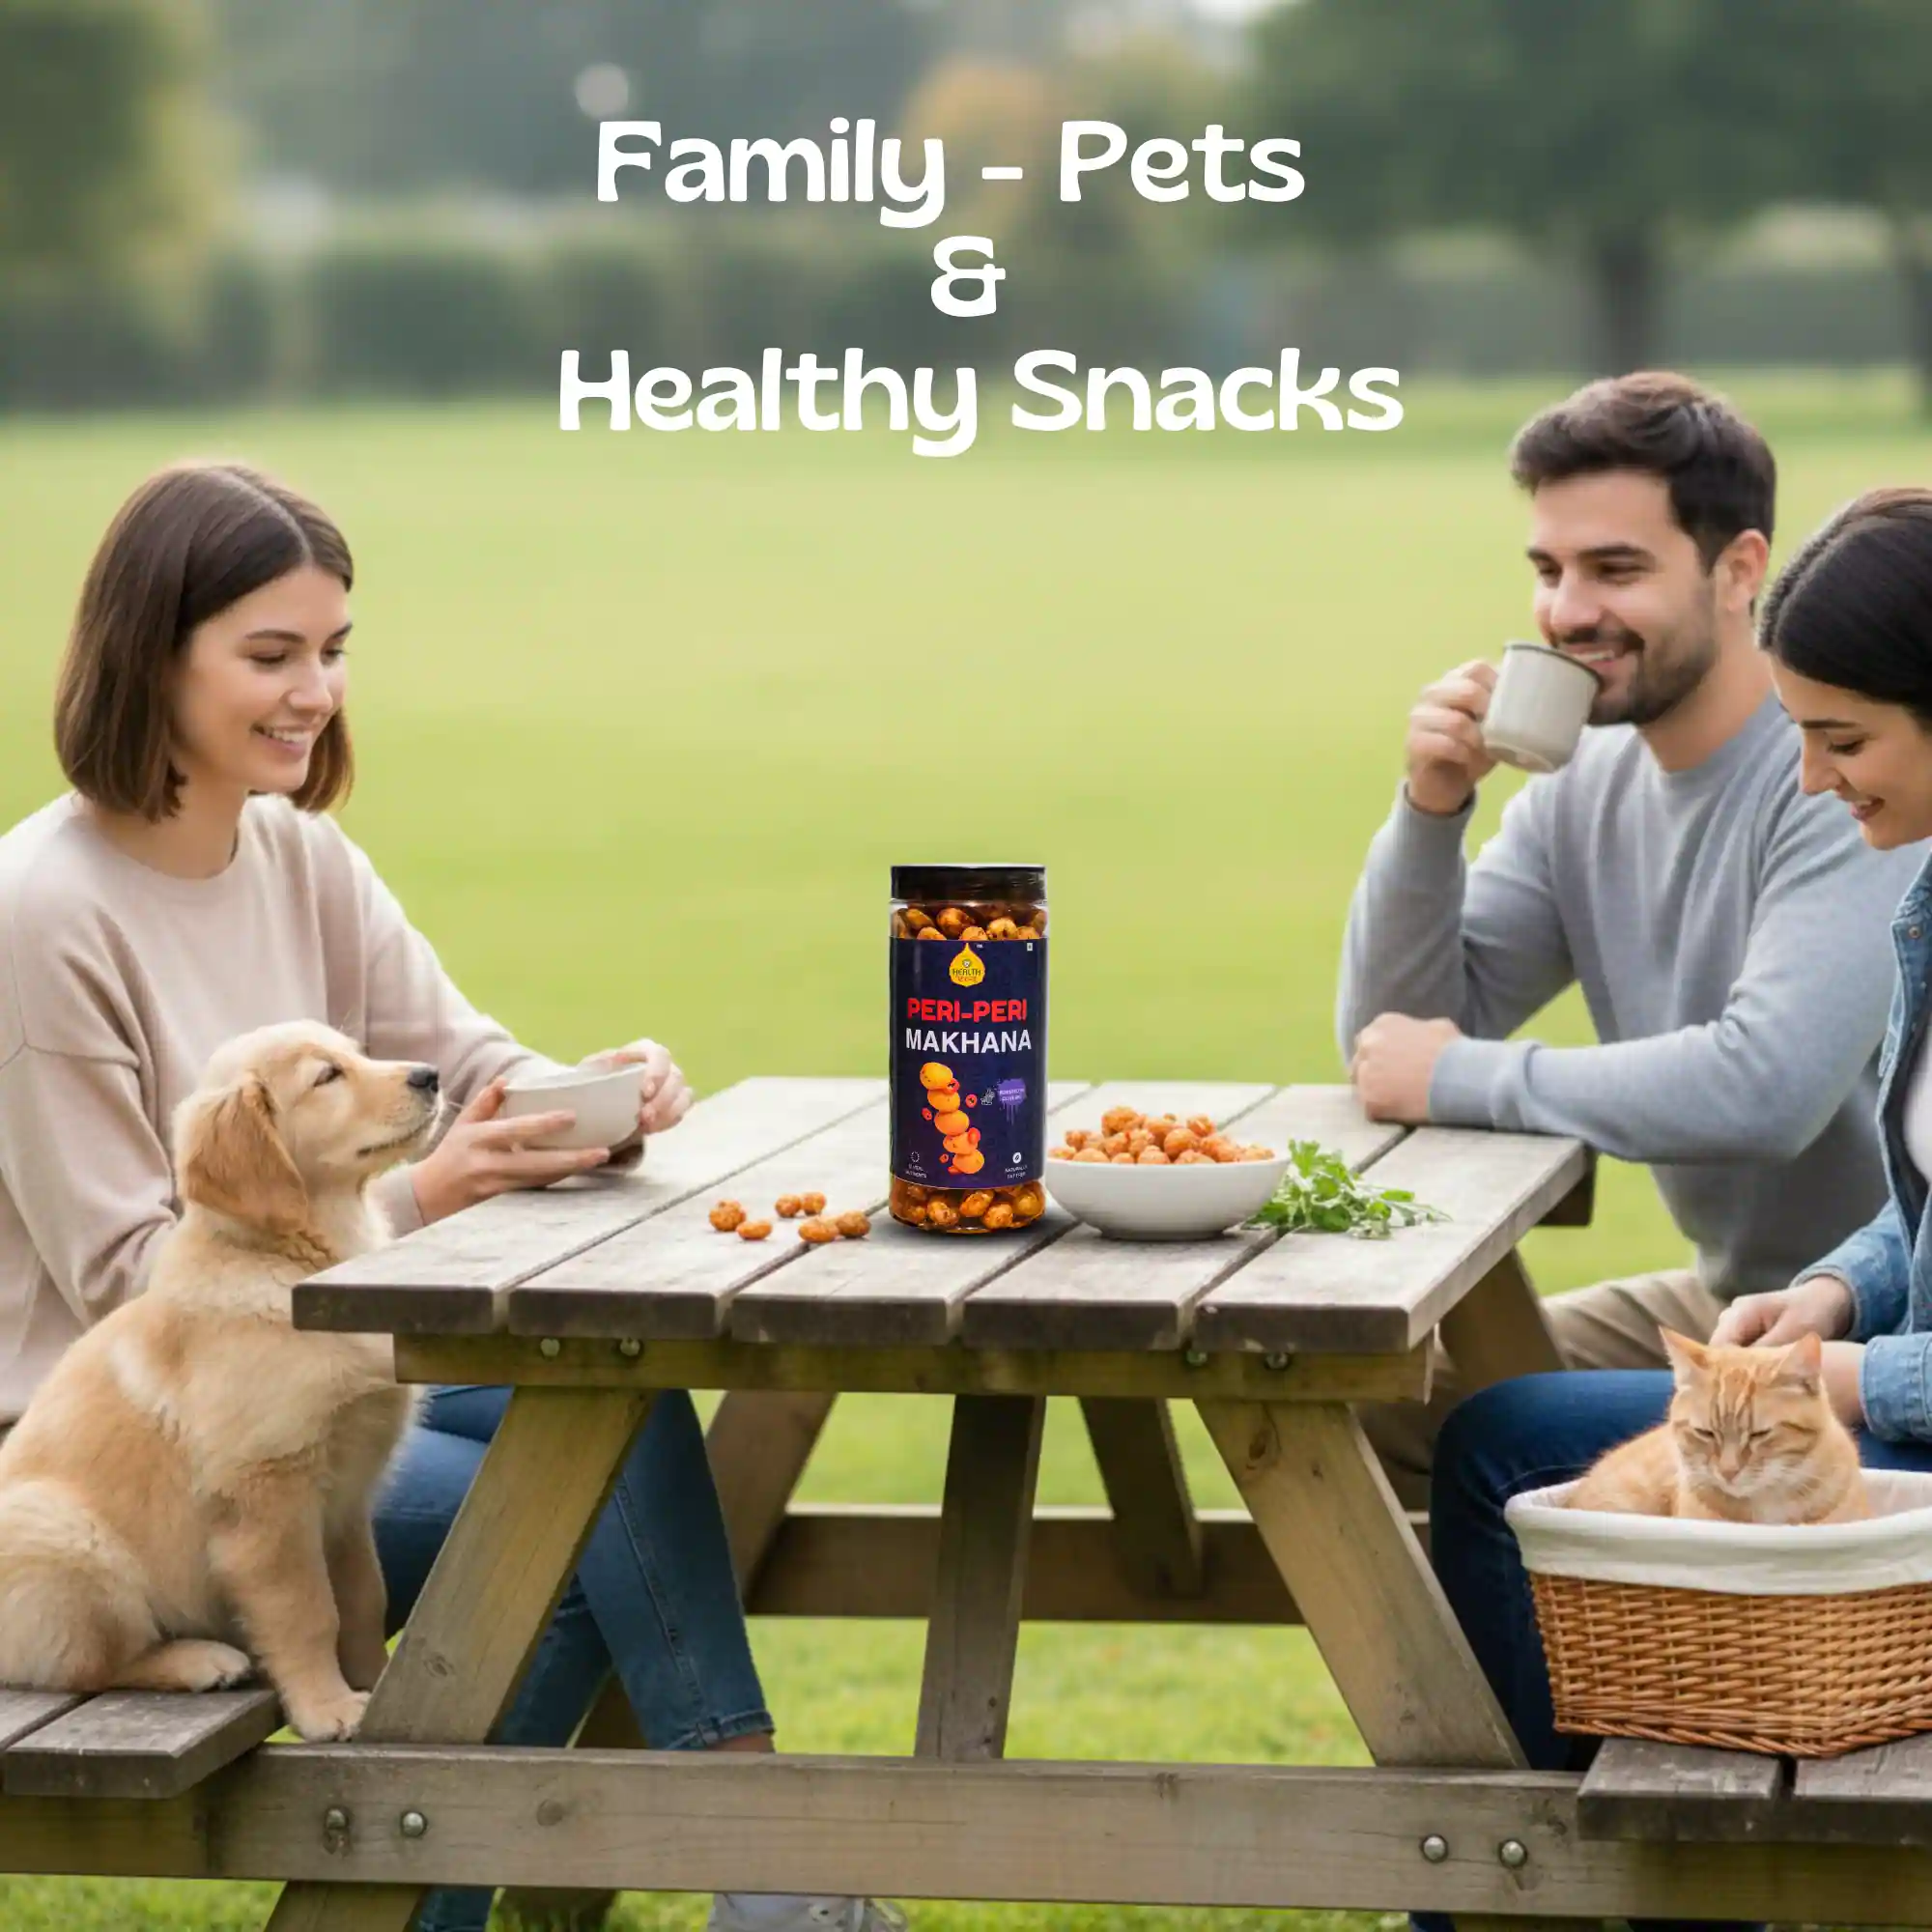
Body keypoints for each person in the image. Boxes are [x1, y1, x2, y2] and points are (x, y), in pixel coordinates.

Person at [0, 461, 904, 1932]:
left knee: (615, 1402)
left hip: (321, 1378)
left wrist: (587, 1090)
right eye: (271, 655)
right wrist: (420, 1197)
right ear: (151, 654)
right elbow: (127, 1281)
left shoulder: (294, 850)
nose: (316, 694)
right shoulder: (42, 912)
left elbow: (459, 1060)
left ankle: (758, 1858)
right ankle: (671, 1885)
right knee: (535, 1520)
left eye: (334, 652)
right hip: (130, 1467)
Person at [1425, 485, 1932, 1932]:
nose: (1818, 783)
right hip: (1866, 1376)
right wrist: (1839, 1288)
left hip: (1902, 1425)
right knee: (1504, 1436)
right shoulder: (1928, 896)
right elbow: (1923, 1205)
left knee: (1500, 1455)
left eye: (1844, 741)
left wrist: (1841, 1371)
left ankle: (1582, 1896)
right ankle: (1591, 1891)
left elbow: (1764, 1087)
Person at [1335, 372, 1920, 1506]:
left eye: (1614, 568)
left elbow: (1763, 1084)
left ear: (1737, 568)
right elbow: (1390, 1040)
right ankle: (1550, 1681)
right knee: (1368, 1393)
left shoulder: (1857, 777)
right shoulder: (1581, 782)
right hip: (1749, 1305)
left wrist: (1462, 1074)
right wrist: (1429, 809)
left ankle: (1565, 1688)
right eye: (1547, 571)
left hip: (1860, 1333)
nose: (1564, 612)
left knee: (1492, 1434)